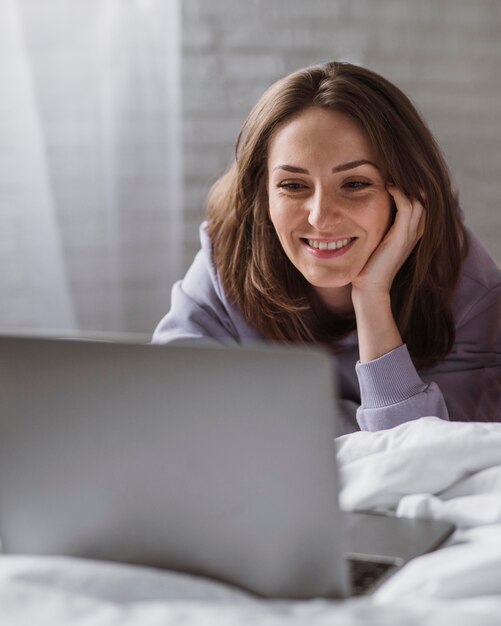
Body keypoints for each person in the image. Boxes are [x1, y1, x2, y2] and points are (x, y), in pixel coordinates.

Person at [153, 61, 501, 433]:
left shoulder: (472, 292)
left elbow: (426, 462)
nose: (320, 217)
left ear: (407, 192)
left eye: (354, 184)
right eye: (292, 185)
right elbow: (159, 413)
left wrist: (371, 298)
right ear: (263, 194)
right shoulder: (228, 259)